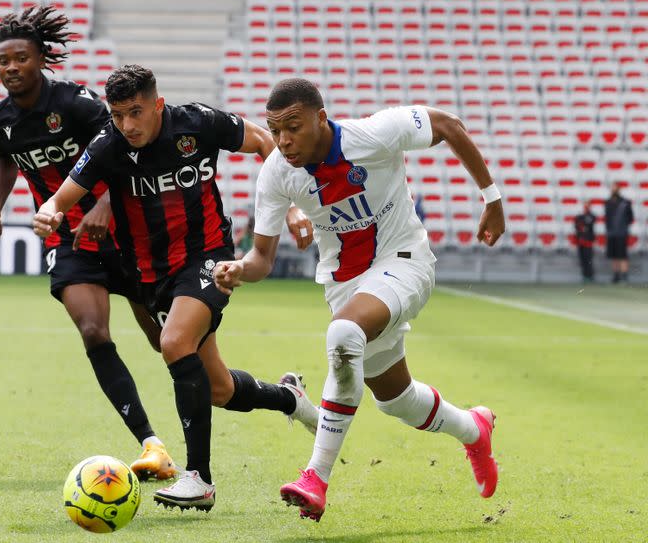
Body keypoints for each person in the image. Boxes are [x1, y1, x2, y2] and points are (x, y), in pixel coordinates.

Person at [213, 78, 506, 521]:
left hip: (405, 260)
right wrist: (238, 268)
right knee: (397, 399)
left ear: (321, 118)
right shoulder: (276, 171)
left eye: (293, 126)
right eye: (275, 130)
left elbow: (448, 125)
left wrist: (492, 198)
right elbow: (262, 257)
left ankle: (315, 476)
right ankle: (474, 428)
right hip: (345, 286)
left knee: (344, 333)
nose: (284, 140)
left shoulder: (374, 133)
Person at [32, 65, 319, 512]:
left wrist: (292, 206)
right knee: (219, 388)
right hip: (151, 277)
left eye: (135, 112)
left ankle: (199, 478)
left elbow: (265, 142)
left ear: (157, 105)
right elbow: (63, 195)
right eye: (118, 114)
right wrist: (49, 211)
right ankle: (290, 397)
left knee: (173, 341)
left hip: (208, 256)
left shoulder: (197, 122)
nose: (127, 124)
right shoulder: (108, 143)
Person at [0, 6, 176, 481]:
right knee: (92, 331)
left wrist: (105, 202)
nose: (10, 67)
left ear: (40, 58)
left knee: (167, 344)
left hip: (125, 231)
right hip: (67, 237)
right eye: (2, 60)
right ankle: (152, 445)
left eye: (20, 58)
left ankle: (260, 396)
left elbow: (123, 145)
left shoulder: (76, 103)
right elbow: (7, 160)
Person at [604, 184, 634, 283]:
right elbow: (607, 218)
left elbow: (630, 218)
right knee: (614, 255)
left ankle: (624, 276)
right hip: (612, 233)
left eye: (615, 188)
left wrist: (623, 226)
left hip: (622, 233)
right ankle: (616, 275)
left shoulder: (625, 202)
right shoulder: (608, 202)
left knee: (622, 255)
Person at [574, 201, 596, 282]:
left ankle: (590, 275)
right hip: (581, 241)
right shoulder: (580, 216)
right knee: (582, 260)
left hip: (588, 242)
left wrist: (583, 226)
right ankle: (584, 275)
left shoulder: (591, 216)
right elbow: (577, 225)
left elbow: (588, 224)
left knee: (588, 259)